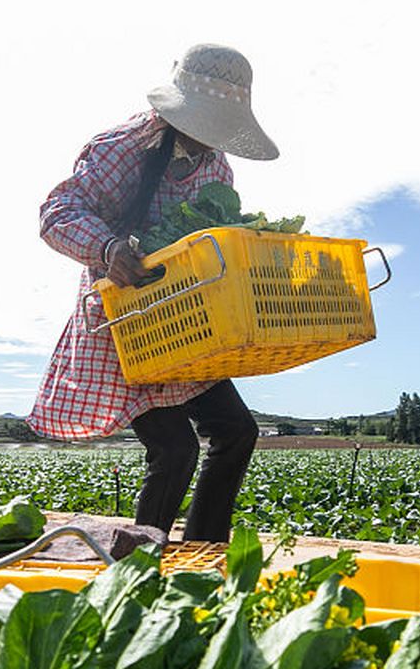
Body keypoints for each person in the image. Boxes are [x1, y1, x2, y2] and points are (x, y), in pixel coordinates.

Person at [30, 43, 280, 542]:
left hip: (186, 324)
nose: (210, 141)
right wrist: (107, 248)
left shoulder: (216, 167)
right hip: (128, 327)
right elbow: (56, 214)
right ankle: (137, 566)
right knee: (174, 449)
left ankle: (204, 549)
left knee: (237, 431)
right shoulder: (120, 149)